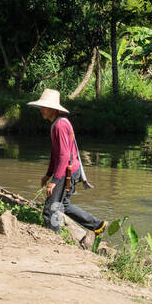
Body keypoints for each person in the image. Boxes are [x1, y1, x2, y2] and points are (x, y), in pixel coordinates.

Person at [28, 89, 105, 236]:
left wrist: (54, 181)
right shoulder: (57, 124)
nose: (41, 111)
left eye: (44, 108)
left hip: (67, 171)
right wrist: (48, 174)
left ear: (52, 109)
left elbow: (63, 155)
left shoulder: (60, 125)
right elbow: (55, 153)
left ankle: (55, 237)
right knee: (62, 204)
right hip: (68, 169)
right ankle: (97, 225)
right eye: (41, 107)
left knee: (50, 209)